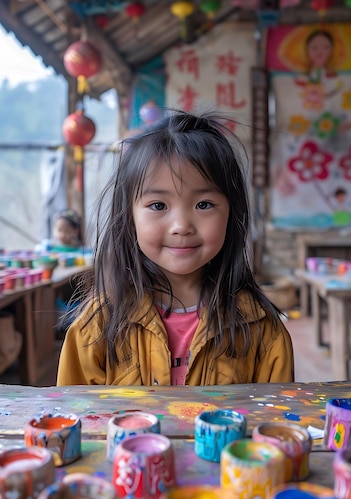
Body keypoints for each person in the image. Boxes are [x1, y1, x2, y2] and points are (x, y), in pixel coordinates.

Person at [57, 111, 294, 386]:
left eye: (203, 204)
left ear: (233, 212)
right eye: (158, 205)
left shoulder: (262, 330)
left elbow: (277, 423)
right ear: (129, 216)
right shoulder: (96, 327)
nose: (181, 226)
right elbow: (74, 419)